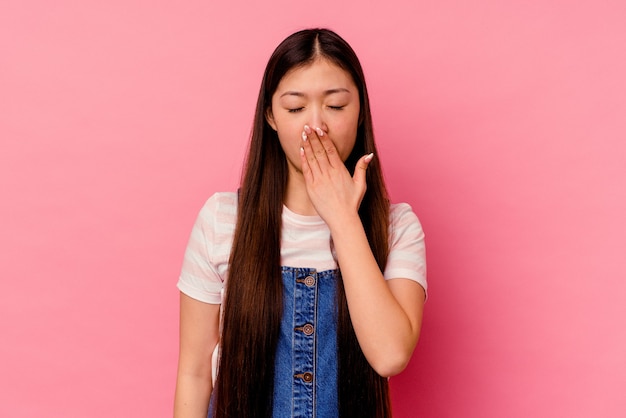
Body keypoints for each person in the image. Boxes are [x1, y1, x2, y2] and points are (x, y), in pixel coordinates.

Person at [174, 28, 427, 418]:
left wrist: (342, 217)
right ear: (271, 117)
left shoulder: (398, 228)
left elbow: (390, 355)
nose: (316, 126)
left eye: (336, 106)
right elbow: (193, 372)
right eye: (295, 109)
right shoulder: (223, 220)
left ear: (360, 113)